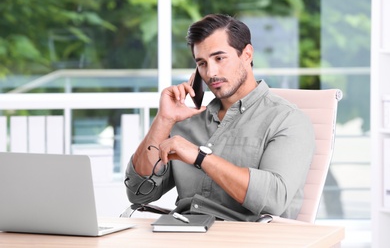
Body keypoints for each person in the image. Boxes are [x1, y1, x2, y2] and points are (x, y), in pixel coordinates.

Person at [124, 13, 315, 221]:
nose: (211, 72)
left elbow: (273, 199)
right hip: (184, 234)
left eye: (219, 58)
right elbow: (139, 192)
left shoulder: (287, 120)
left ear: (247, 54)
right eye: (202, 63)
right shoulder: (187, 122)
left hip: (248, 238)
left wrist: (200, 157)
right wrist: (164, 120)